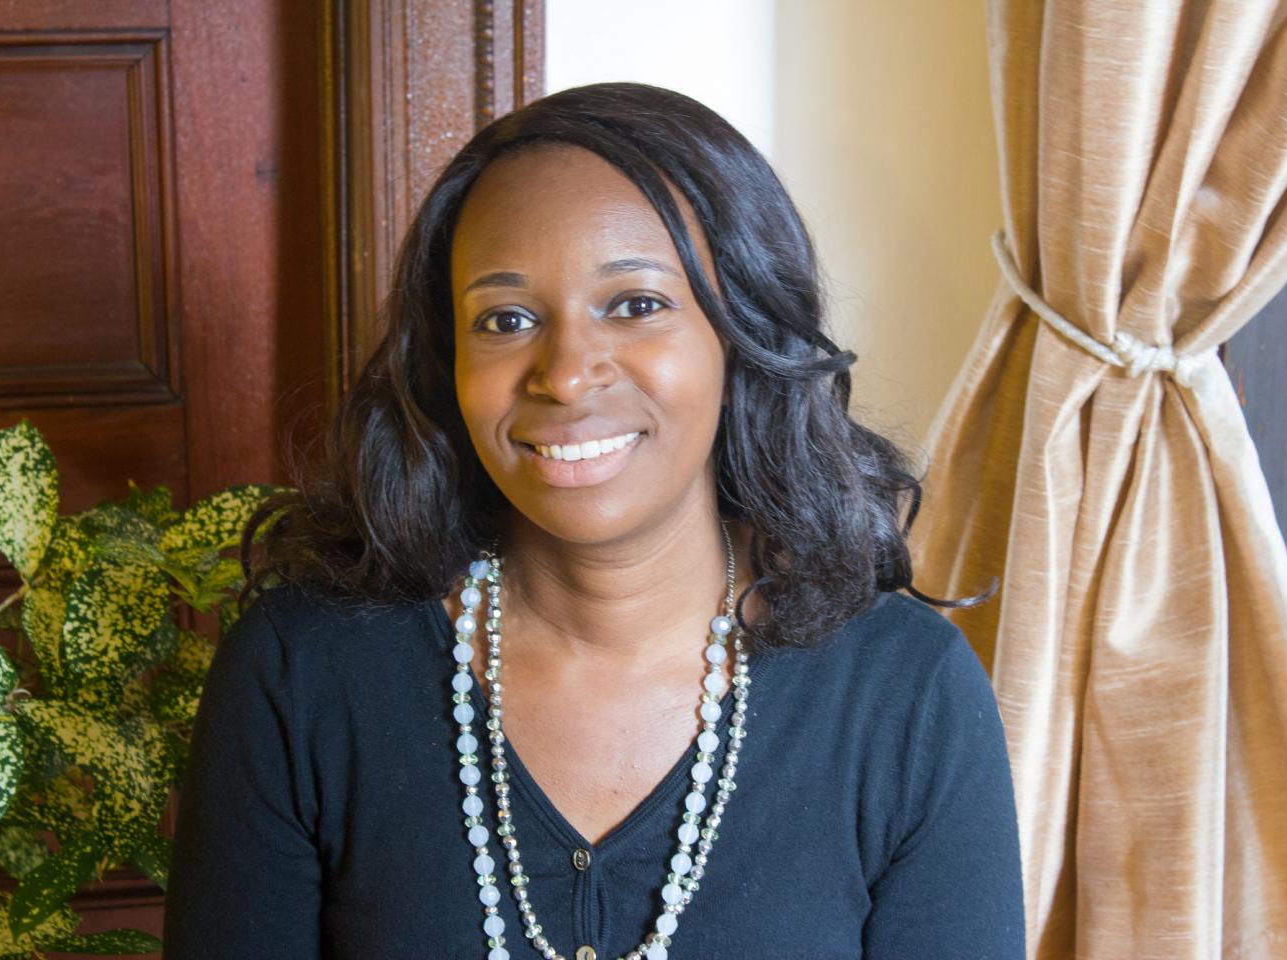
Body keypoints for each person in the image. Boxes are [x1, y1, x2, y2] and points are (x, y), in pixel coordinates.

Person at [162, 81, 1023, 960]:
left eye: (637, 305)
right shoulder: (304, 672)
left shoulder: (906, 695)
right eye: (506, 319)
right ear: (446, 364)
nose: (566, 375)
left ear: (741, 332)